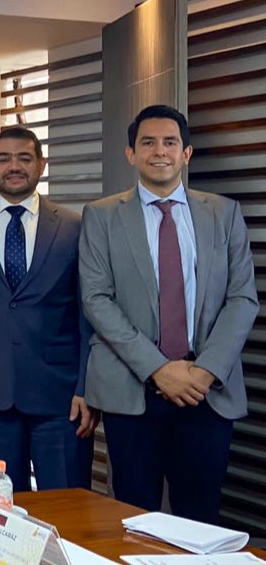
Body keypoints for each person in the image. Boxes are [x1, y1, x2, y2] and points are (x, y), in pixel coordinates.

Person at [79, 104, 257, 523]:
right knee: (135, 518)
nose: (159, 151)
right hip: (133, 390)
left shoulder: (224, 213)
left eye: (170, 142)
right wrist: (158, 369)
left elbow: (242, 298)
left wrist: (204, 371)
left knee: (200, 519)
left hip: (206, 392)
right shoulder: (102, 216)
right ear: (131, 153)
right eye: (148, 142)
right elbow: (97, 299)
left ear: (186, 153)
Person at [0, 127, 96, 493]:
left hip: (61, 398)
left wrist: (87, 387)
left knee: (66, 504)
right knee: (3, 509)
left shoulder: (75, 226)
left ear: (41, 165)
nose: (13, 166)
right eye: (3, 159)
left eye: (24, 158)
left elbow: (88, 316)